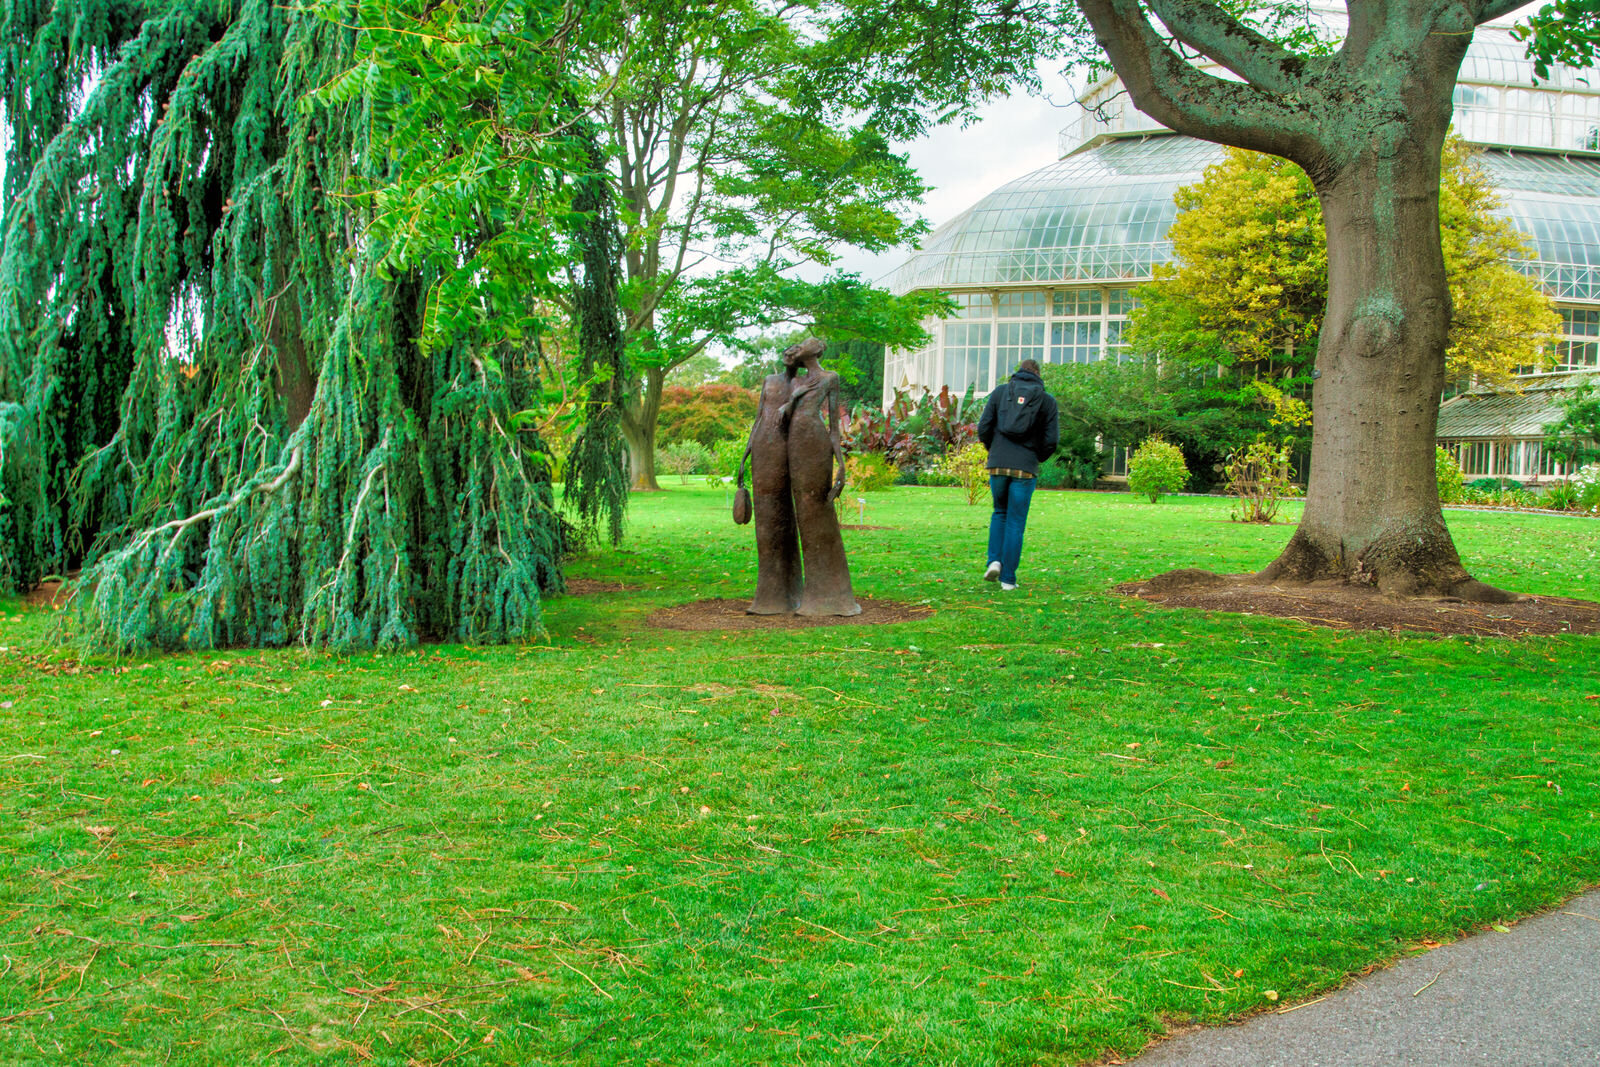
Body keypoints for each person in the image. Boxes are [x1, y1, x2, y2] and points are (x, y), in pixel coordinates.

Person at [779, 339, 860, 616]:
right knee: (803, 511)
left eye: (803, 344)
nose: (798, 347)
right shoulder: (797, 381)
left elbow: (835, 428)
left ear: (815, 350)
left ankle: (832, 595)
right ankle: (816, 592)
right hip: (794, 443)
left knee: (818, 510)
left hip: (815, 441)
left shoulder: (830, 378)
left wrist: (840, 463)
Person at [976, 358, 1059, 590]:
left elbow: (983, 427)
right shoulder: (1047, 402)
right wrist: (1036, 457)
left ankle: (994, 561)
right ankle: (1008, 579)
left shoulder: (1000, 393)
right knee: (1015, 521)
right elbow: (1051, 440)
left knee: (999, 512)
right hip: (1025, 467)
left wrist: (994, 451)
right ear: (1038, 374)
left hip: (998, 465)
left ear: (1018, 372)